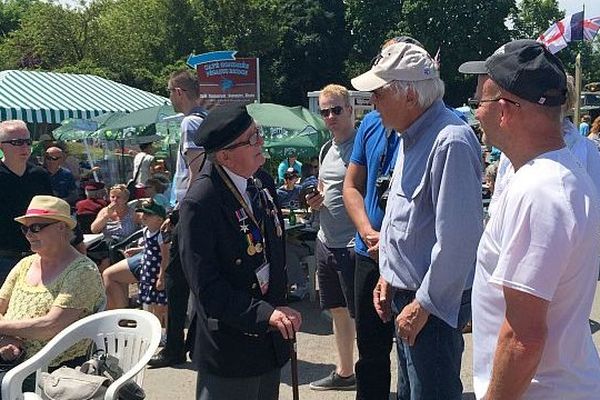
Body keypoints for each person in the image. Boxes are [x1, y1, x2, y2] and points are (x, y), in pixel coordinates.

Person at [460, 39, 600, 399]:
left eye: (480, 102)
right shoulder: (561, 175)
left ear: (505, 110)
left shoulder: (538, 190)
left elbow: (523, 338)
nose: (476, 114)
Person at [352, 42, 482, 400]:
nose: (373, 102)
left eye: (378, 92)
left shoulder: (449, 140)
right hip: (413, 299)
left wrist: (422, 304)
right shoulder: (415, 135)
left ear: (408, 94)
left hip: (431, 307)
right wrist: (389, 275)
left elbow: (458, 242)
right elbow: (406, 222)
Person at [178, 103, 301, 400]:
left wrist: (277, 307)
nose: (261, 143)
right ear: (224, 156)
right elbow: (207, 288)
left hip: (268, 341)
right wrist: (264, 313)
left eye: (258, 134)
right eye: (252, 140)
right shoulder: (201, 202)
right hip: (230, 349)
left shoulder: (262, 181)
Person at [0, 195, 105, 391]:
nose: (29, 234)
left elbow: (50, 326)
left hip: (53, 372)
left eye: (36, 227)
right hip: (12, 360)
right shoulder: (25, 264)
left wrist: (4, 328)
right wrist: (6, 337)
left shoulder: (83, 271)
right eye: (25, 228)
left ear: (61, 227)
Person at [149, 69, 208, 368]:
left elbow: (195, 170)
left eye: (170, 92)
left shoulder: (189, 123)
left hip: (188, 210)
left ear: (179, 93)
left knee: (176, 281)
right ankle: (192, 342)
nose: (170, 98)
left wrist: (180, 211)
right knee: (196, 278)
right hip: (197, 210)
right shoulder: (206, 121)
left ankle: (174, 348)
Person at [307, 84, 357, 391]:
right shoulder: (327, 148)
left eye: (336, 110)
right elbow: (326, 189)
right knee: (337, 310)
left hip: (354, 243)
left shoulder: (362, 144)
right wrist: (316, 200)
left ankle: (371, 375)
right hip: (327, 239)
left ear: (350, 110)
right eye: (324, 111)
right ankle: (345, 372)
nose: (330, 116)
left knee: (363, 315)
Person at [0, 120, 53, 285]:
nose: (25, 147)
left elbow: (53, 211)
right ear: (1, 146)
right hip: (5, 257)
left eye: (28, 142)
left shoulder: (40, 175)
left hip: (39, 254)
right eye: (17, 142)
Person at [89, 184, 140, 270]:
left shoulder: (133, 213)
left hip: (125, 245)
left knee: (107, 258)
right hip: (107, 246)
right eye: (112, 197)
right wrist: (106, 216)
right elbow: (94, 230)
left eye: (118, 197)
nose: (115, 200)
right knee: (106, 253)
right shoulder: (105, 211)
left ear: (125, 199)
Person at [135, 199, 169, 327]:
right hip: (147, 273)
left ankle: (162, 331)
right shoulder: (146, 231)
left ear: (159, 219)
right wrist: (138, 250)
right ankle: (153, 329)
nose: (144, 216)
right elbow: (149, 248)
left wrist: (161, 277)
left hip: (156, 272)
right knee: (150, 303)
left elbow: (165, 256)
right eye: (143, 213)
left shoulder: (161, 235)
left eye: (148, 215)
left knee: (160, 306)